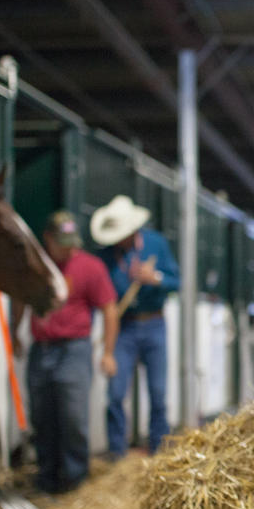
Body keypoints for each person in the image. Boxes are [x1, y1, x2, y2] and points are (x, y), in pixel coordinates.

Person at [13, 211, 118, 494]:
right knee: (42, 415)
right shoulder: (36, 266)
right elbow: (22, 299)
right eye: (62, 242)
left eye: (72, 241)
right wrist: (14, 332)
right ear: (48, 239)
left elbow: (109, 308)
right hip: (42, 348)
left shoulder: (90, 267)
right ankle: (46, 477)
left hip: (75, 349)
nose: (69, 248)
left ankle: (74, 479)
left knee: (73, 415)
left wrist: (108, 351)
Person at [91, 195, 180, 456]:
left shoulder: (157, 244)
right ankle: (117, 455)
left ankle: (159, 451)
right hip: (123, 328)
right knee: (116, 394)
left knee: (158, 393)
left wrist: (156, 278)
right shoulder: (106, 257)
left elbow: (177, 282)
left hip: (154, 324)